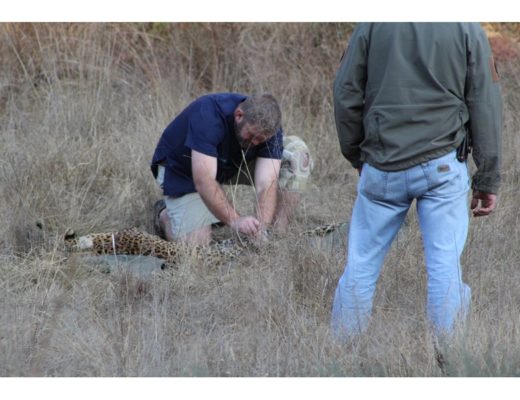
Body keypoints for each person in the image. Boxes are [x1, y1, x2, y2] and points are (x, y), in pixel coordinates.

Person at [331, 23, 502, 339]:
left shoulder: (371, 24)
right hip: (442, 165)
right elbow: (484, 101)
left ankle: (341, 354)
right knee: (445, 265)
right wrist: (487, 177)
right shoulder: (466, 27)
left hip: (382, 164)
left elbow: (345, 92)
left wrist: (357, 155)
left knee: (361, 264)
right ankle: (447, 355)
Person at [151, 93, 312, 245]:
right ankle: (164, 216)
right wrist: (235, 220)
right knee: (197, 244)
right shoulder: (208, 114)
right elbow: (204, 180)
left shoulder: (268, 127)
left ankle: (275, 235)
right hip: (182, 170)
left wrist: (261, 228)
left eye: (261, 140)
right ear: (239, 115)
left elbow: (267, 183)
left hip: (227, 165)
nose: (255, 143)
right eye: (251, 135)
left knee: (297, 155)